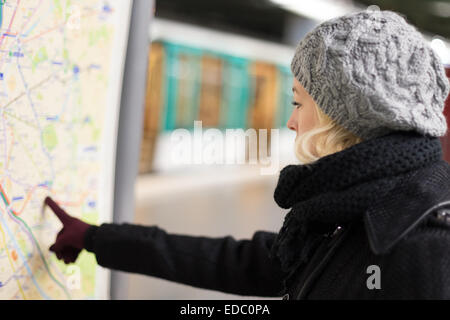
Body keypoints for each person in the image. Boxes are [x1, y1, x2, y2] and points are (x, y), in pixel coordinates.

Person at [44, 9, 450, 299]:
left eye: (298, 104)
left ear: (344, 116)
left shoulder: (426, 248)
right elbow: (251, 264)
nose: (291, 122)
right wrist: (98, 238)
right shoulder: (355, 208)